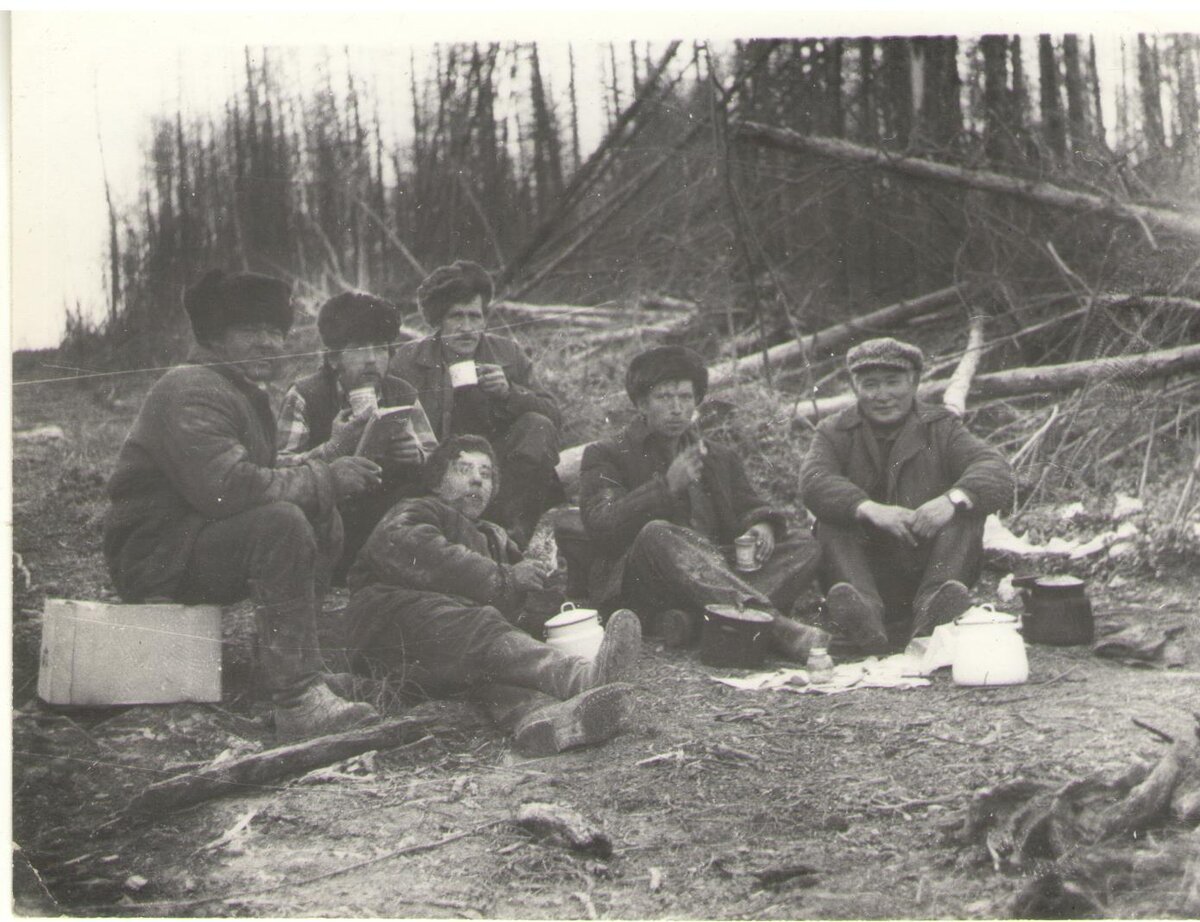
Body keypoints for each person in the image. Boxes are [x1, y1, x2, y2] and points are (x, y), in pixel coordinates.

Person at [103, 270, 382, 740]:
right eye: (252, 330)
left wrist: (335, 448)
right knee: (282, 523)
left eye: (275, 331)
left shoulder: (236, 390)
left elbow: (267, 472)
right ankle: (297, 700)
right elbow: (229, 488)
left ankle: (291, 671)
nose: (269, 342)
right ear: (215, 336)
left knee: (319, 513)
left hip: (190, 540)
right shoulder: (191, 388)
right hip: (157, 557)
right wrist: (327, 477)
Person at [346, 434, 642, 756]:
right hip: (388, 625)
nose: (477, 479)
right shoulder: (416, 510)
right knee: (480, 628)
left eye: (486, 474)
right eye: (463, 469)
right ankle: (582, 678)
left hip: (448, 648)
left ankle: (543, 720)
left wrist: (552, 588)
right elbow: (419, 550)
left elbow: (524, 596)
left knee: (491, 666)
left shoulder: (494, 536)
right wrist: (505, 577)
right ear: (436, 481)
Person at [578, 345, 828, 660]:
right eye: (664, 398)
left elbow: (749, 504)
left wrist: (761, 525)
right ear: (641, 404)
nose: (676, 409)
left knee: (805, 544)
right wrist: (665, 487)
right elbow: (602, 525)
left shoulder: (718, 456)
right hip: (645, 580)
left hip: (715, 572)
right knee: (657, 532)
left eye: (685, 398)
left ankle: (695, 621)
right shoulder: (607, 453)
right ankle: (775, 627)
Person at [799, 336, 1015, 653]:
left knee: (967, 513)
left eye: (893, 382)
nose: (882, 395)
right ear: (854, 386)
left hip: (928, 566)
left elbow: (995, 469)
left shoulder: (942, 427)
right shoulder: (834, 430)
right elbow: (814, 481)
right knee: (832, 520)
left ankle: (933, 611)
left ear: (913, 382)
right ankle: (864, 621)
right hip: (863, 572)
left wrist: (951, 500)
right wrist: (867, 508)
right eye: (870, 384)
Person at [388, 260, 562, 547]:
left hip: (498, 472)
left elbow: (553, 414)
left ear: (484, 319)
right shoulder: (409, 361)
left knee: (538, 426)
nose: (467, 328)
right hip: (432, 470)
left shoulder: (507, 353)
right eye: (457, 317)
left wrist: (509, 392)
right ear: (438, 320)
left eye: (474, 316)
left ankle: (511, 538)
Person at [276, 291, 438, 583]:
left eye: (380, 349)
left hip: (386, 512)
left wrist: (417, 455)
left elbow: (435, 454)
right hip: (331, 520)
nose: (371, 361)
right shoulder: (305, 395)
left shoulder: (402, 392)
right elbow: (280, 469)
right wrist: (334, 448)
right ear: (334, 358)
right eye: (359, 349)